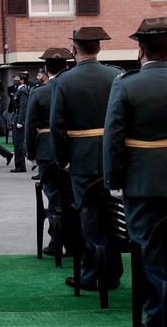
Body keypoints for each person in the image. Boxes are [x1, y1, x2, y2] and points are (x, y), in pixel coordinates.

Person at [105, 17, 167, 327]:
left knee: (150, 253)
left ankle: (161, 319)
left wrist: (114, 181)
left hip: (140, 182)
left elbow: (113, 137)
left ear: (141, 49)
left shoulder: (126, 83)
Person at [50, 26, 122, 293]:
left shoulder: (64, 81)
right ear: (99, 48)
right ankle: (113, 271)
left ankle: (94, 274)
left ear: (73, 50)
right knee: (114, 216)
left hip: (81, 156)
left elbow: (57, 125)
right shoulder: (116, 75)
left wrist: (63, 158)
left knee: (90, 216)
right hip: (112, 155)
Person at [26, 51, 73, 259]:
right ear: (66, 67)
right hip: (72, 147)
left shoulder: (39, 92)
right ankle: (73, 243)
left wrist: (31, 152)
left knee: (54, 196)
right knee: (72, 197)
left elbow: (30, 125)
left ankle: (57, 241)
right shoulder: (73, 88)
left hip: (46, 149)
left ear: (46, 69)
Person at [9, 76, 33, 173]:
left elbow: (23, 106)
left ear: (22, 80)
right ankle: (18, 165)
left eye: (17, 78)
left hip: (19, 118)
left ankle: (20, 166)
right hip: (16, 116)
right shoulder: (19, 90)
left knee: (19, 143)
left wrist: (20, 121)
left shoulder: (22, 90)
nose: (15, 80)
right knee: (16, 143)